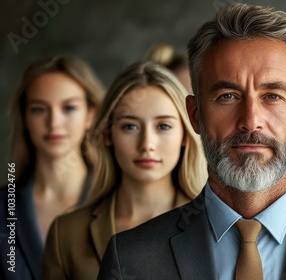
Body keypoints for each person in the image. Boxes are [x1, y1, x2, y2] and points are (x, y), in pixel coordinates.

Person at [97, 3, 286, 279]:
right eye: (228, 96)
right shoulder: (130, 260)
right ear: (195, 114)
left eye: (272, 96)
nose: (250, 119)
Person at [41, 61, 207, 280]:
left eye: (163, 126)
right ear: (108, 134)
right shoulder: (66, 233)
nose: (147, 144)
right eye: (130, 126)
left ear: (185, 135)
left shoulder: (212, 226)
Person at [0, 55, 104, 280]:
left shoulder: (119, 199)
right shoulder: (2, 206)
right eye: (39, 109)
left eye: (68, 108)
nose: (54, 123)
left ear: (91, 115)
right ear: (25, 117)